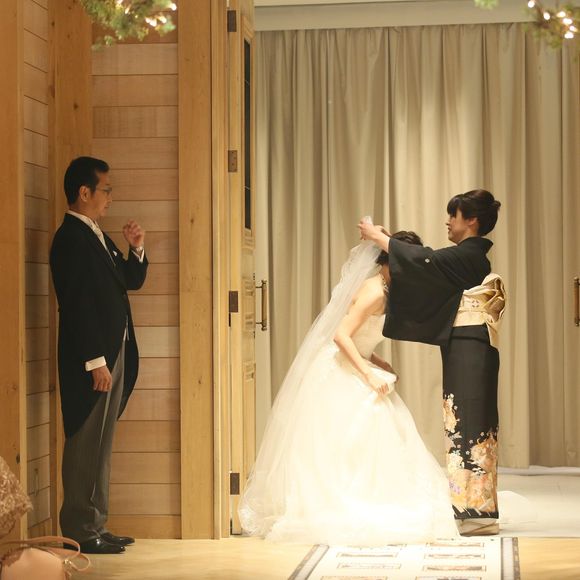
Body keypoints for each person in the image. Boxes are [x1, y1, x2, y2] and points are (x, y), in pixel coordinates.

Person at [239, 228, 458, 545]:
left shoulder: (386, 289)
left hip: (355, 362)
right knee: (360, 429)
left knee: (382, 429)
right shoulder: (375, 292)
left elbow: (359, 336)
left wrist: (376, 361)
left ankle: (376, 496)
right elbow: (341, 335)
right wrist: (368, 374)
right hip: (340, 369)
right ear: (389, 262)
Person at [358, 189, 505, 536]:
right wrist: (389, 244)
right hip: (465, 345)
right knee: (463, 417)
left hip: (471, 347)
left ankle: (476, 511)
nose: (448, 222)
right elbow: (427, 267)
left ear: (472, 220)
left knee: (470, 419)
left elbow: (427, 263)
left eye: (454, 215)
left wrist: (381, 239)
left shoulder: (472, 255)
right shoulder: (466, 256)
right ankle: (471, 508)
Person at [50, 157, 148, 554]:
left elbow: (129, 280)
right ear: (84, 192)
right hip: (93, 361)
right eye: (106, 189)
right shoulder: (69, 238)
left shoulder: (95, 234)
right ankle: (79, 529)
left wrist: (136, 248)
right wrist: (95, 362)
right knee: (85, 442)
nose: (110, 197)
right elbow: (76, 305)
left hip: (115, 350)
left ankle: (96, 524)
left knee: (102, 443)